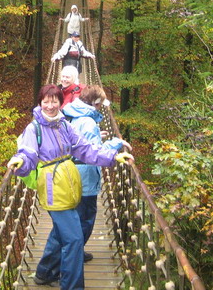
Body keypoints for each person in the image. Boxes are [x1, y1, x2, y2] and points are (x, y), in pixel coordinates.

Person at [7, 85, 134, 290]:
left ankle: (45, 272)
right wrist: (20, 161)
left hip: (70, 184)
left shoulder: (64, 125)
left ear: (60, 102)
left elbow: (85, 149)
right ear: (40, 103)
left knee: (63, 233)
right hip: (52, 188)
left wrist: (112, 155)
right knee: (74, 240)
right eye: (45, 101)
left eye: (54, 101)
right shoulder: (34, 128)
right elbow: (28, 152)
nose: (50, 106)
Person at [62, 86, 132, 263]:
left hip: (69, 172)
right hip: (84, 177)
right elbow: (93, 154)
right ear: (96, 103)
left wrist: (97, 136)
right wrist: (116, 143)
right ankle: (73, 254)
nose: (101, 108)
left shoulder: (71, 113)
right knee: (85, 218)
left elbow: (80, 143)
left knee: (74, 217)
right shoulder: (88, 122)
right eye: (101, 104)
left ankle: (72, 252)